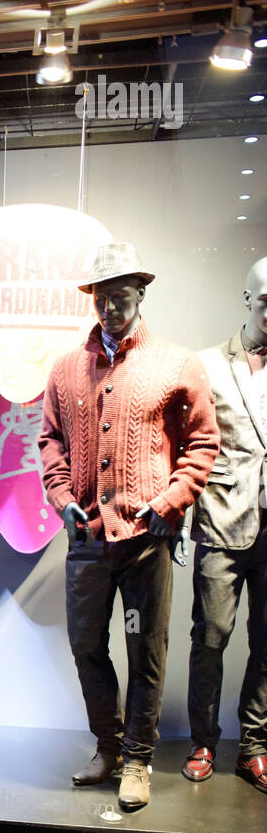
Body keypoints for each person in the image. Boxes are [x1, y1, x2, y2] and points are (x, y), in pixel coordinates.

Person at [39, 241, 219, 810]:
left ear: (141, 294)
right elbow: (50, 442)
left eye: (121, 297)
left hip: (147, 542)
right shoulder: (67, 370)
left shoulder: (177, 363)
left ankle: (139, 759)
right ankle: (108, 747)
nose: (111, 309)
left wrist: (170, 503)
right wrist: (62, 495)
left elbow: (202, 444)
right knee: (86, 645)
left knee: (147, 648)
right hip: (88, 540)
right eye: (101, 299)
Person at [183, 256, 267, 795]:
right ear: (247, 299)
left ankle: (255, 745)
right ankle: (204, 739)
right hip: (221, 517)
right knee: (210, 636)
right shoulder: (207, 364)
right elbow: (188, 444)